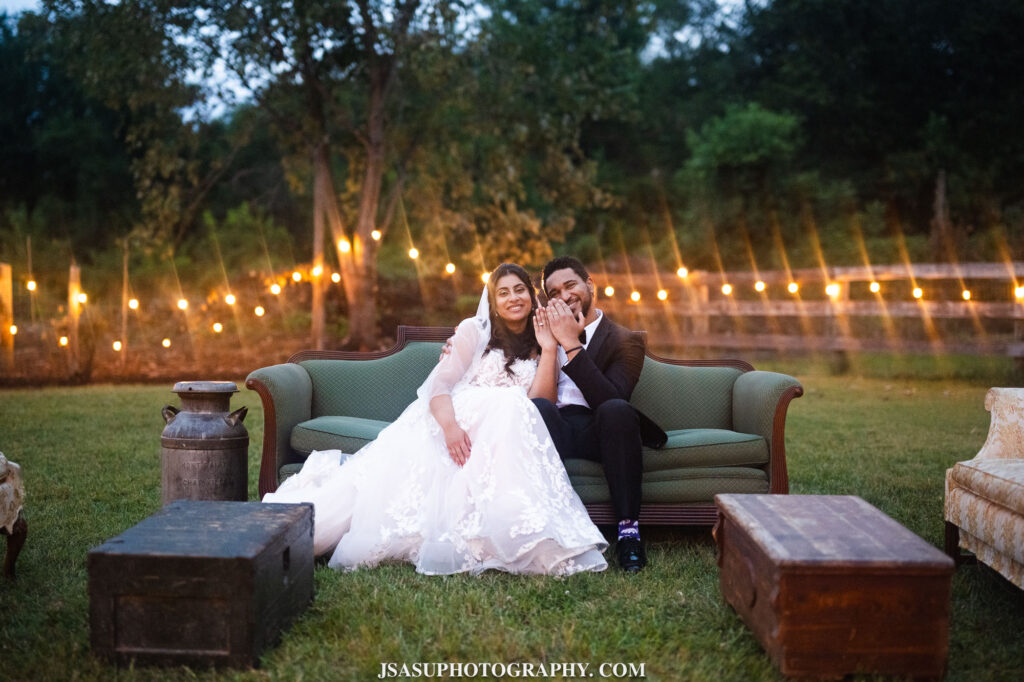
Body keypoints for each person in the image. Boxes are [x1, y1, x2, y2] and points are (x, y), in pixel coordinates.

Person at [263, 263, 607, 576]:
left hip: (505, 433)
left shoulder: (545, 335)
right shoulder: (474, 330)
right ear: (492, 302)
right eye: (503, 293)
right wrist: (451, 429)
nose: (513, 298)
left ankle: (514, 531)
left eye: (519, 290)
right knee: (361, 496)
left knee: (512, 406)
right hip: (456, 423)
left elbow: (540, 404)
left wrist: (548, 348)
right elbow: (439, 387)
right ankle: (282, 534)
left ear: (532, 296)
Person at [530, 256, 667, 573]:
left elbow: (612, 397)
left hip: (602, 431)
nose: (564, 296)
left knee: (617, 409)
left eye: (570, 285)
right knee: (538, 408)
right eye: (554, 293)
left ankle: (628, 533)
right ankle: (546, 532)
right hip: (556, 429)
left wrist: (571, 343)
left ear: (590, 285)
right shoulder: (540, 336)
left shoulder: (626, 341)